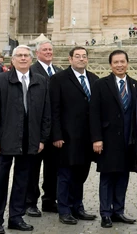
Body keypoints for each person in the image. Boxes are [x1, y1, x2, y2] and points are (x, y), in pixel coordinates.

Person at [0, 45, 51, 233]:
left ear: (31, 60)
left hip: (30, 139)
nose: (23, 58)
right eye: (19, 56)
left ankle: (16, 216)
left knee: (23, 180)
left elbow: (46, 113)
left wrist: (42, 139)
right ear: (12, 60)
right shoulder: (0, 81)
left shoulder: (41, 81)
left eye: (26, 56)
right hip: (5, 139)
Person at [90, 50, 137, 228]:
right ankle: (105, 213)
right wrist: (97, 138)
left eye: (122, 62)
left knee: (123, 176)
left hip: (128, 141)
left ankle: (118, 211)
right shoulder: (100, 85)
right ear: (110, 65)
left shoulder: (136, 85)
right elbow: (94, 113)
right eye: (116, 62)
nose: (119, 65)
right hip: (107, 140)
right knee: (107, 178)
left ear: (127, 63)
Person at [50, 46, 98, 225]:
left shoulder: (94, 79)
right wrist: (56, 135)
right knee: (65, 175)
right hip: (66, 137)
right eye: (77, 56)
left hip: (86, 138)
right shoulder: (58, 79)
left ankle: (77, 207)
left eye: (84, 56)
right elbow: (54, 109)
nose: (81, 59)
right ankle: (64, 209)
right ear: (70, 59)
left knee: (81, 174)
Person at [26, 41, 61, 217]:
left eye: (50, 50)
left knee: (52, 167)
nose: (48, 52)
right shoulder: (31, 71)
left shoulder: (59, 71)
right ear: (37, 53)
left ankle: (49, 199)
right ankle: (30, 202)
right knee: (33, 167)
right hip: (37, 129)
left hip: (54, 130)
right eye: (44, 50)